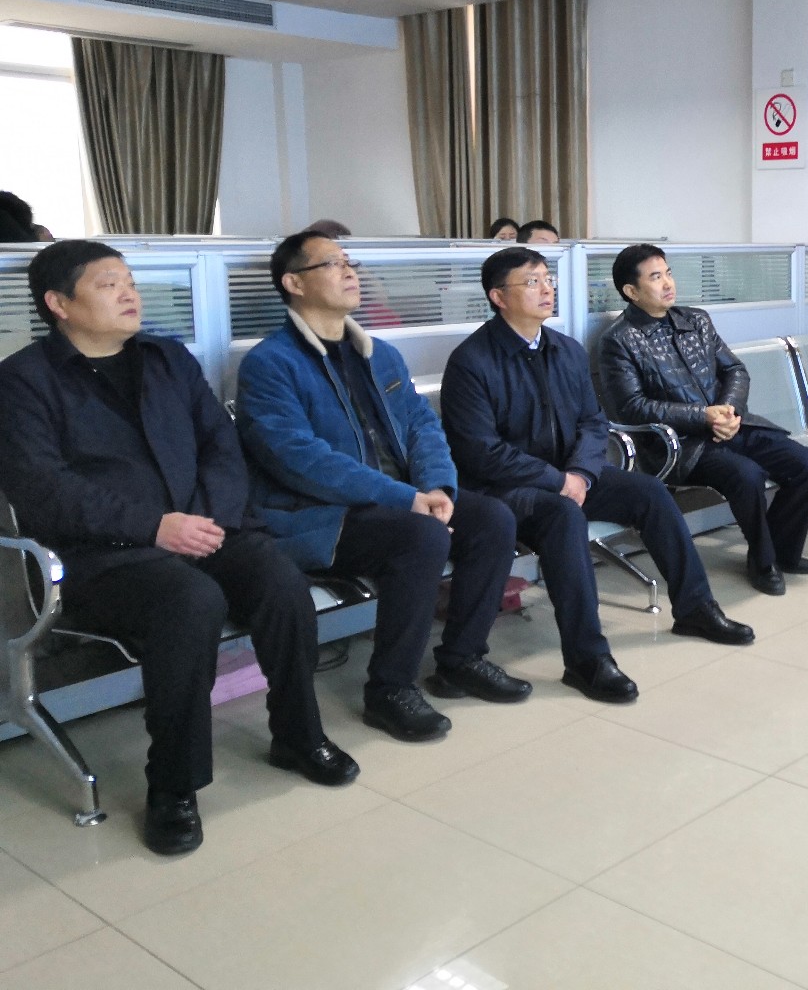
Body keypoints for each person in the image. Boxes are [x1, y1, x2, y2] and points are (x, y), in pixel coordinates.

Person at [0, 241, 357, 857]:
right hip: (101, 556)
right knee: (190, 601)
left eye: (129, 281)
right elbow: (44, 491)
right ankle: (174, 785)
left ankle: (298, 735)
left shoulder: (167, 359)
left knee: (276, 577)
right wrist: (155, 527)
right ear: (59, 304)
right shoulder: (22, 382)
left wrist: (207, 521)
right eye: (108, 284)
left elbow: (221, 444)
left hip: (202, 529)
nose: (129, 293)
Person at [235, 231, 527, 746]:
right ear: (294, 284)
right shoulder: (270, 363)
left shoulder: (380, 354)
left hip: (402, 501)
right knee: (421, 537)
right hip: (320, 516)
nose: (350, 271)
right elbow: (299, 459)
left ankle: (461, 659)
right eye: (332, 263)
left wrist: (437, 487)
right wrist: (407, 499)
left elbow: (421, 425)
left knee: (492, 519)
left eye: (349, 261)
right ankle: (390, 689)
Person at [441, 249, 753, 703]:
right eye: (531, 282)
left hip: (570, 475)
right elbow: (480, 452)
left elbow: (592, 422)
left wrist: (581, 474)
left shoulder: (564, 350)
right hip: (506, 488)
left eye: (548, 279)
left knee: (649, 492)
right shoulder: (472, 361)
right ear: (498, 297)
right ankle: (587, 659)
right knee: (563, 516)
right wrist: (558, 482)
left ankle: (695, 608)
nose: (546, 289)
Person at [597, 245, 808, 596]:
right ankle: (763, 562)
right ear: (632, 291)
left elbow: (734, 370)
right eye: (655, 277)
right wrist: (701, 417)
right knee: (746, 475)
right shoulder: (619, 340)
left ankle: (784, 552)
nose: (668, 283)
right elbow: (632, 407)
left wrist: (728, 410)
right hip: (679, 446)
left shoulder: (696, 320)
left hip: (729, 426)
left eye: (668, 273)